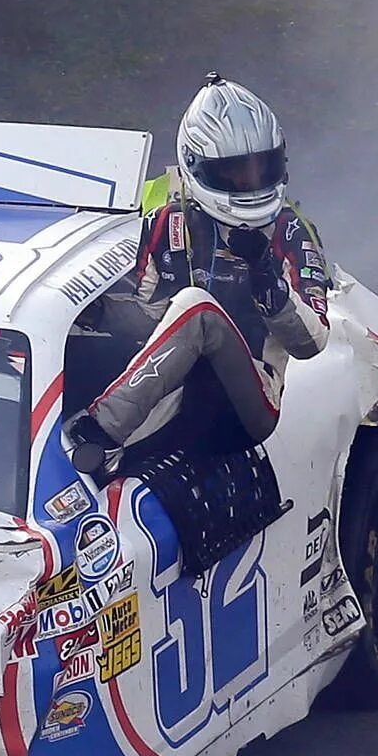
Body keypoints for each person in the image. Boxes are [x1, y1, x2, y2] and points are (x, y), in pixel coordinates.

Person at [64, 76, 330, 483]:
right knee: (87, 320)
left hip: (248, 403)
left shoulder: (292, 230)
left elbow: (312, 343)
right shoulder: (167, 221)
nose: (250, 182)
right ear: (195, 166)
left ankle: (99, 433)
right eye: (234, 173)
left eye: (261, 167)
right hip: (175, 392)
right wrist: (96, 312)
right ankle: (72, 452)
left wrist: (267, 281)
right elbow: (149, 316)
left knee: (196, 307)